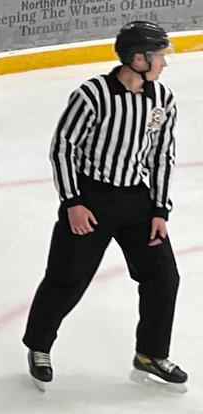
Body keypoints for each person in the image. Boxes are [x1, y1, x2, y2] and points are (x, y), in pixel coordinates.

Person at [22, 21, 186, 390]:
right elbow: (63, 148)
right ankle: (39, 346)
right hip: (92, 200)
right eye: (159, 56)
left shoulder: (162, 99)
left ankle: (151, 354)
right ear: (138, 59)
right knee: (67, 277)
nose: (164, 63)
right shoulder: (92, 95)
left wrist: (159, 210)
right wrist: (73, 202)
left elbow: (162, 156)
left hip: (138, 202)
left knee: (164, 277)